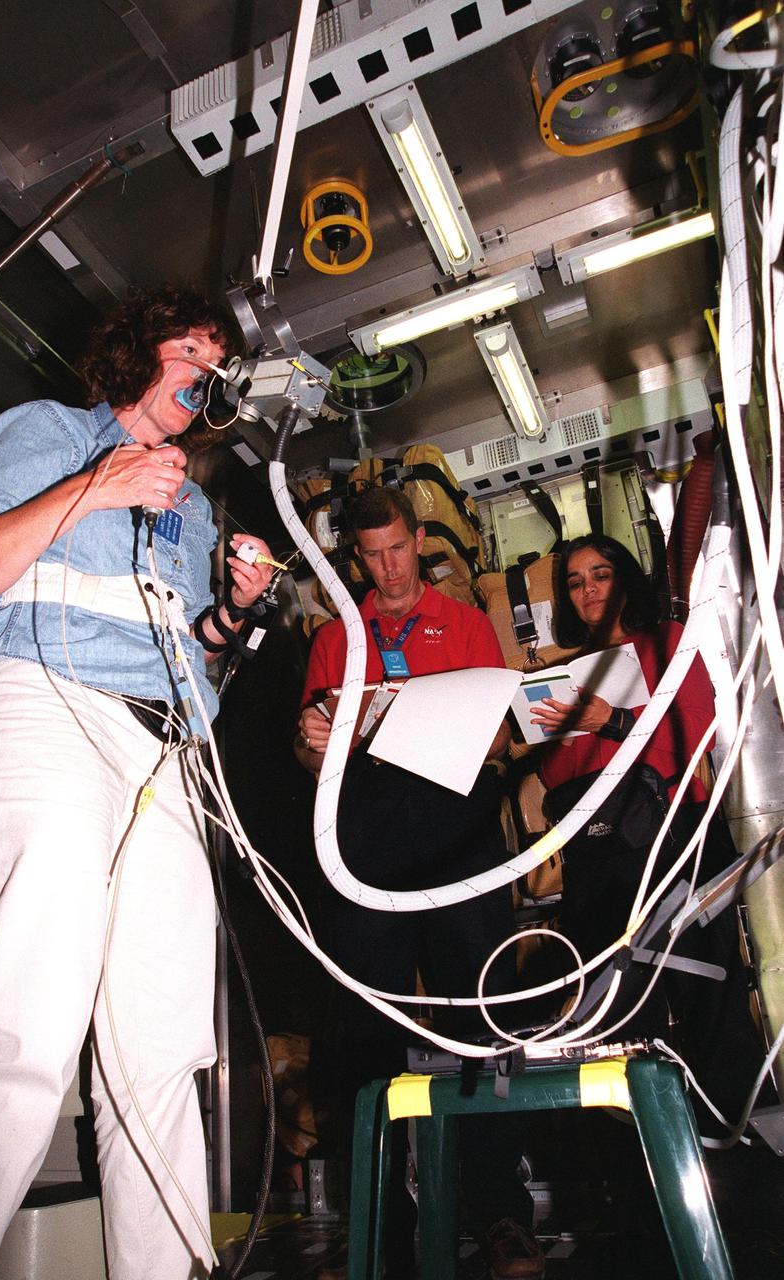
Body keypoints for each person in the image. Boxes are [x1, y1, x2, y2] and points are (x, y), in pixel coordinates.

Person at [0, 284, 276, 1280]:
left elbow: (192, 654)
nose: (207, 375)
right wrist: (96, 485)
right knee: (29, 1026)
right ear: (136, 351)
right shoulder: (47, 432)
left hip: (162, 754)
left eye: (219, 364)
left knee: (157, 1050)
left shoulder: (194, 508)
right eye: (190, 350)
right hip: (44, 709)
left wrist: (231, 612)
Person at [296, 488, 544, 1280]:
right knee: (366, 1022)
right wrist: (311, 736)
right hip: (366, 833)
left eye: (398, 548)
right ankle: (378, 1223)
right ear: (355, 559)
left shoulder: (464, 623)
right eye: (372, 555)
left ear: (420, 539)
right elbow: (310, 755)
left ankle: (499, 1211)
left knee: (480, 1008)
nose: (389, 567)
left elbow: (502, 734)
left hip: (456, 825)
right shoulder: (336, 638)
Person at [531, 534, 762, 1108]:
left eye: (600, 574)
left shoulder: (667, 643)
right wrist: (561, 732)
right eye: (575, 582)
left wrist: (612, 721)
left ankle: (732, 1125)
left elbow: (693, 732)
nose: (588, 590)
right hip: (601, 857)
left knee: (707, 989)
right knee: (619, 1010)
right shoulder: (571, 673)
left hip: (675, 840)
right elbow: (557, 779)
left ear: (626, 579)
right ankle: (643, 1133)